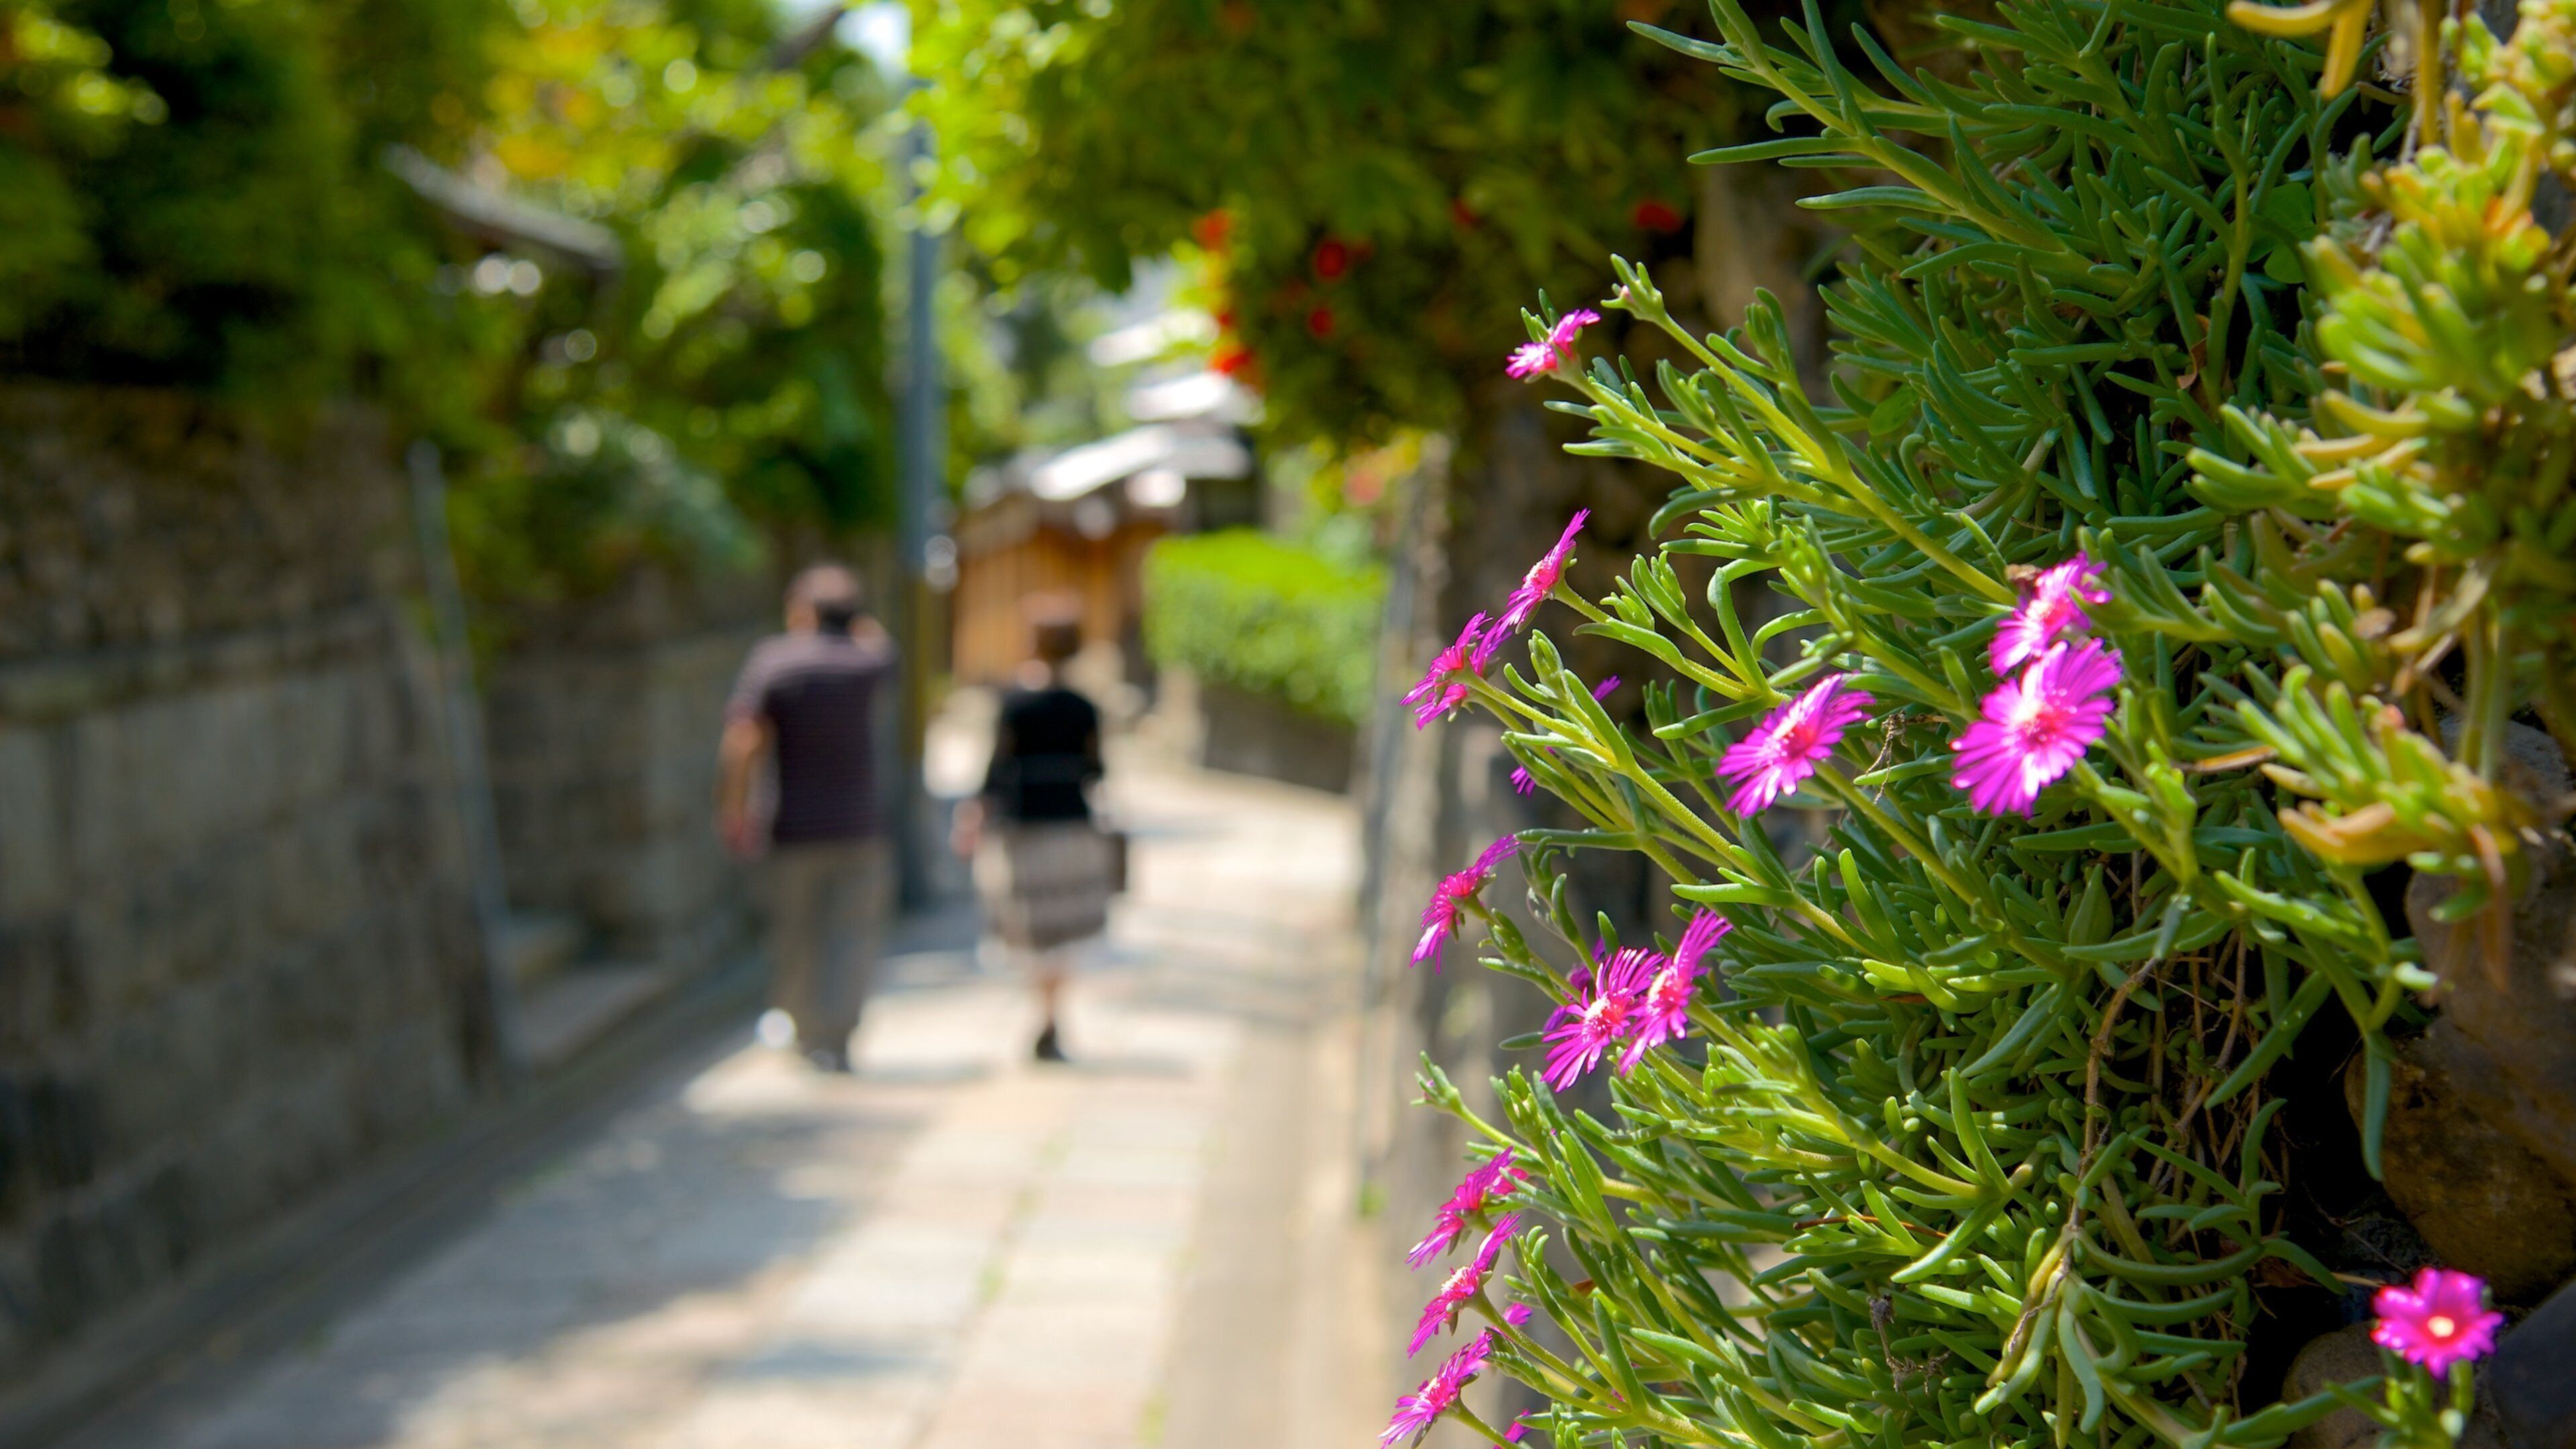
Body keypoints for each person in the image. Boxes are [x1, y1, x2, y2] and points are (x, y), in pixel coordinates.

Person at [717, 564, 898, 1073]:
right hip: (861, 825)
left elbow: (744, 739)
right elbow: (883, 642)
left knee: (795, 934)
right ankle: (836, 1038)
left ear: (803, 611)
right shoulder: (868, 662)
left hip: (792, 827)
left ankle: (802, 1028)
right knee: (851, 935)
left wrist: (735, 809)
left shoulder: (774, 661)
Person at [953, 605, 1110, 1062]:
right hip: (1071, 824)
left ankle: (1043, 1014)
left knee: (1030, 927)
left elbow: (995, 767)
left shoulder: (1014, 701)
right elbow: (1098, 770)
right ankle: (1052, 1015)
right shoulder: (1084, 706)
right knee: (1063, 930)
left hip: (1023, 826)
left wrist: (973, 817)